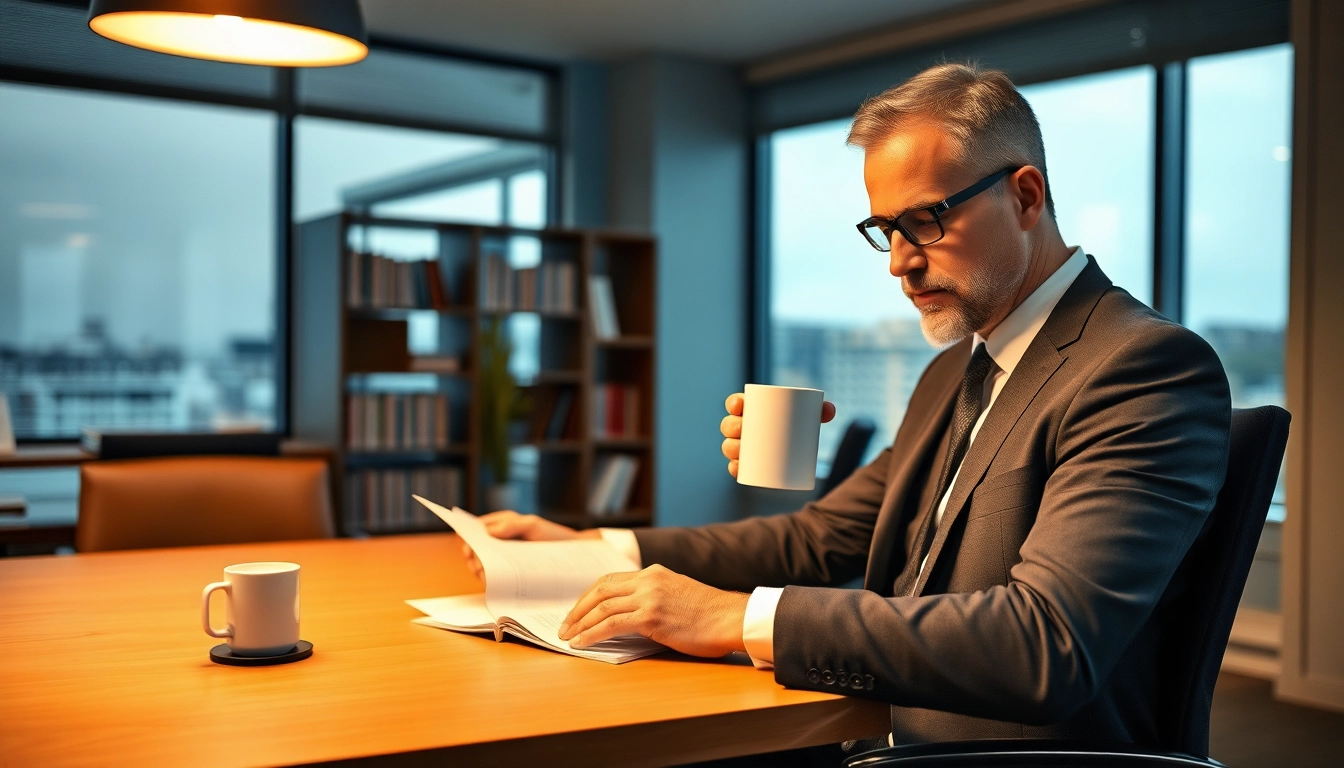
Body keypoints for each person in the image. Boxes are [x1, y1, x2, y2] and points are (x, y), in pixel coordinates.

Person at [463, 62, 1231, 748]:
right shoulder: (955, 373)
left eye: (926, 220)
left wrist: (735, 618)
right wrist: (595, 549)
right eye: (884, 230)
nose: (899, 261)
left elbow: (1046, 643)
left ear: (1025, 195)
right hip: (876, 722)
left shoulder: (1142, 367)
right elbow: (820, 538)